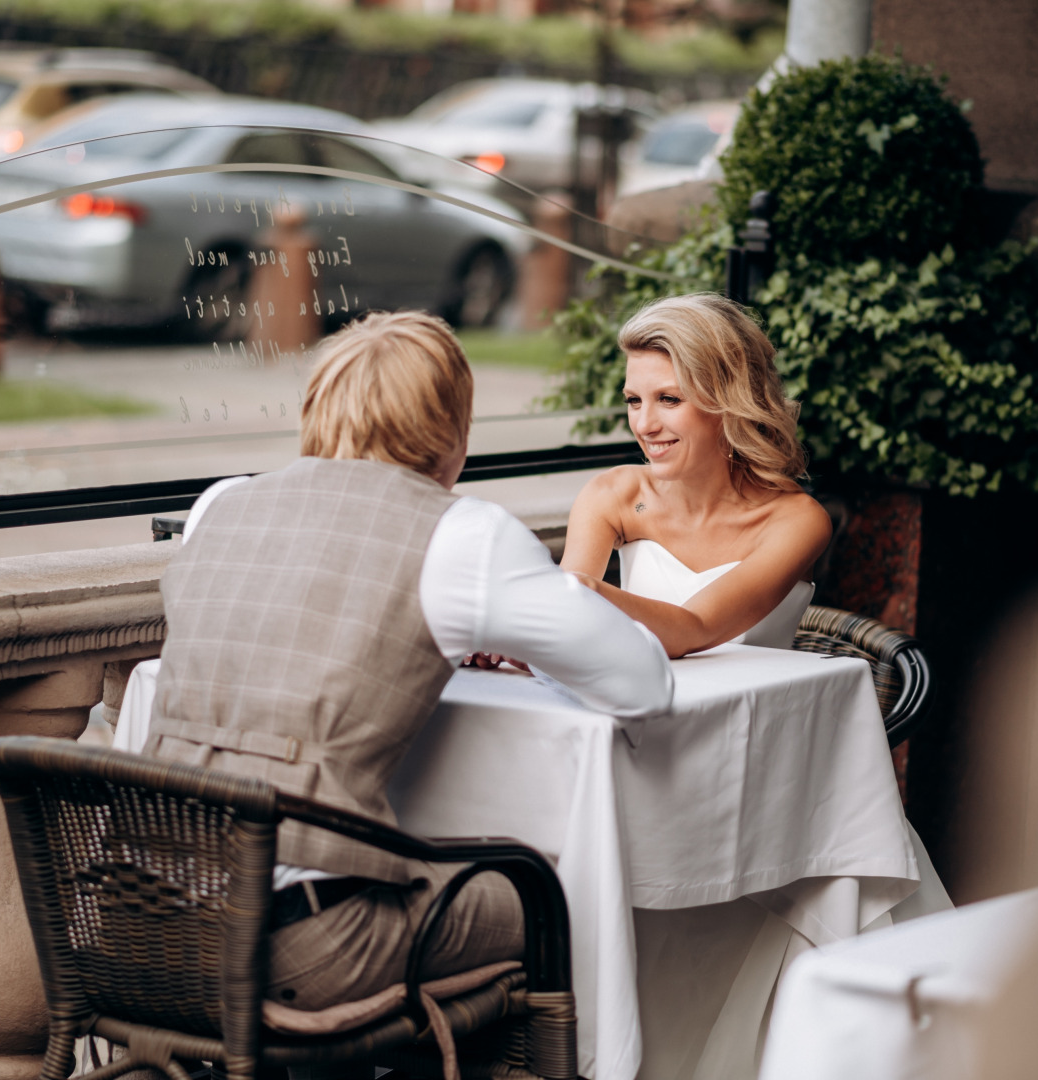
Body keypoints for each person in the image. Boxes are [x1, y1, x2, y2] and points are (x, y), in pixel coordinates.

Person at [139, 310, 674, 1014]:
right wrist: (524, 639)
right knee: (544, 891)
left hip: (136, 918)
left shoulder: (220, 505)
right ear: (451, 428)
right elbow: (643, 684)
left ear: (317, 407)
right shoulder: (460, 534)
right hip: (295, 943)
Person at [559, 293, 832, 657]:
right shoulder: (615, 495)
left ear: (730, 403)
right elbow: (559, 630)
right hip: (638, 706)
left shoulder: (796, 521)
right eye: (633, 400)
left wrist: (585, 592)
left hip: (751, 712)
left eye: (669, 399)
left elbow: (696, 628)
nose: (644, 425)